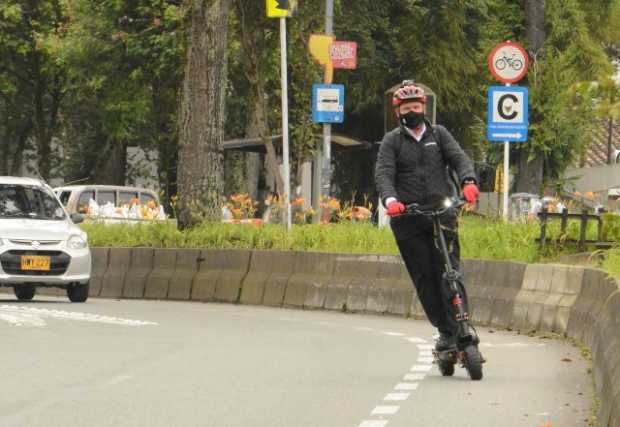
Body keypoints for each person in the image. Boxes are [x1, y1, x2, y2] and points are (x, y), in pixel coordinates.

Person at [375, 80, 480, 352]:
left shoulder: (439, 134)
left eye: (417, 106)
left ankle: (462, 326)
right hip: (408, 218)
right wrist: (392, 200)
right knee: (425, 278)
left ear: (425, 107)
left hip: (442, 213)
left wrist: (468, 181)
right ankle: (445, 332)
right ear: (398, 112)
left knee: (450, 271)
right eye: (407, 107)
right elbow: (384, 174)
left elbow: (459, 159)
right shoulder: (392, 141)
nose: (413, 110)